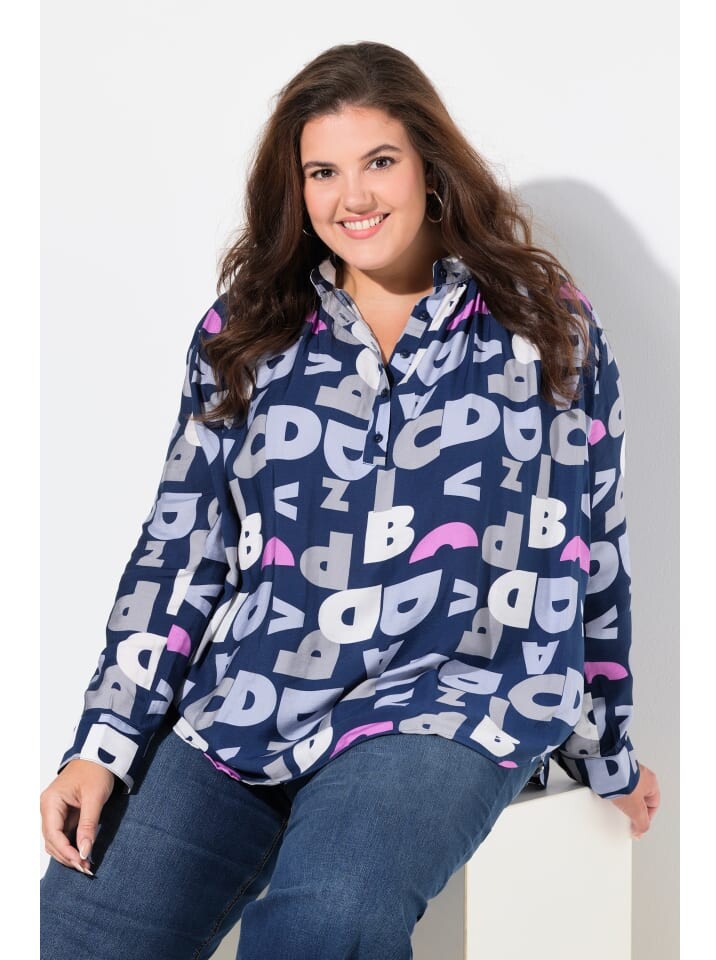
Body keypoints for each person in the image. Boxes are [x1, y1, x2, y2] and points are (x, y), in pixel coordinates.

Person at [40, 40, 660, 960]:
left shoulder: (539, 324)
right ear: (296, 189)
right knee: (77, 924)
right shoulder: (248, 330)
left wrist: (605, 749)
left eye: (379, 162)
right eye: (323, 172)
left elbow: (591, 541)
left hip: (451, 701)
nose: (353, 197)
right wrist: (103, 742)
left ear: (429, 168)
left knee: (326, 921)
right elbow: (180, 548)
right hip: (255, 698)